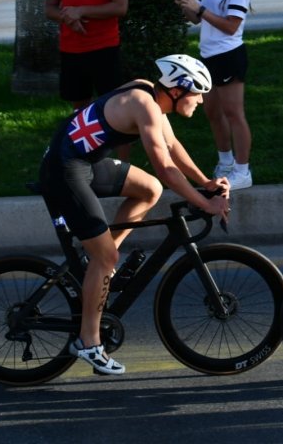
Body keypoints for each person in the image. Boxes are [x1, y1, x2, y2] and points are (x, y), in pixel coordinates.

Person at [39, 54, 230, 375]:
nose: (200, 101)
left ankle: (99, 259)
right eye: (197, 94)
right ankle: (88, 342)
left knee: (150, 189)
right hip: (64, 171)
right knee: (107, 258)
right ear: (177, 91)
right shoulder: (145, 106)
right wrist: (205, 202)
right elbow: (166, 168)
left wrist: (206, 183)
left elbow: (172, 146)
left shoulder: (150, 95)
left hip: (83, 162)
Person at [174, 0, 254, 190]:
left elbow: (231, 26)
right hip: (208, 55)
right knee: (213, 113)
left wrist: (200, 9)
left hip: (228, 55)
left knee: (234, 114)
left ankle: (242, 171)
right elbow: (197, 17)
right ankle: (226, 162)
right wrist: (186, 5)